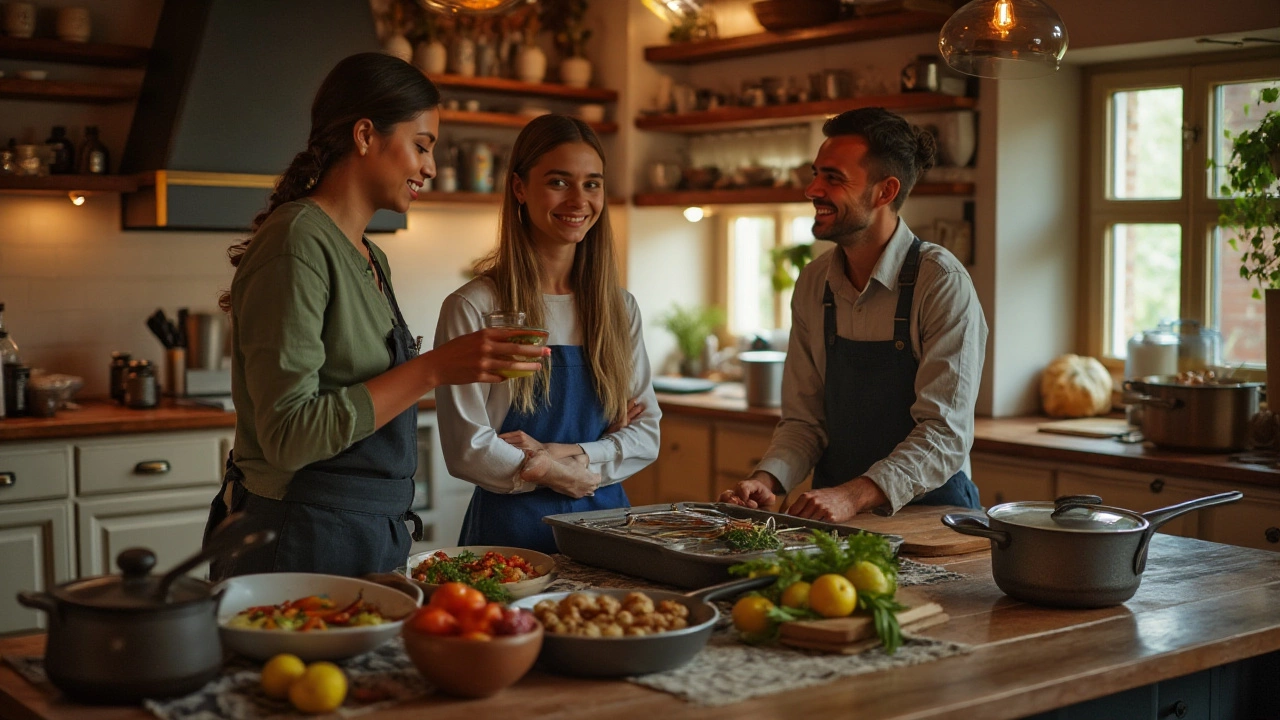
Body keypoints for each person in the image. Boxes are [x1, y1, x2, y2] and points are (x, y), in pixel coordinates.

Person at [202, 53, 547, 579]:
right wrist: (432, 368)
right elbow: (289, 435)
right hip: (298, 538)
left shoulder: (367, 252)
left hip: (362, 533)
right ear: (365, 135)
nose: (430, 167)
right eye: (421, 145)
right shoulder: (297, 241)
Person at [720, 107, 988, 523]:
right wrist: (769, 479)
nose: (812, 189)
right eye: (815, 174)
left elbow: (944, 435)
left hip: (933, 520)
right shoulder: (814, 283)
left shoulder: (940, 283)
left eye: (833, 178)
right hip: (834, 515)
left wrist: (853, 496)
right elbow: (804, 422)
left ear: (885, 192)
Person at [435, 114, 661, 554]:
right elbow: (467, 447)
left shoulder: (619, 308)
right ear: (520, 188)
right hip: (510, 539)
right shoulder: (474, 307)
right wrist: (563, 471)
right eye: (559, 181)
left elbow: (647, 435)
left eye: (592, 184)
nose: (579, 199)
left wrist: (559, 452)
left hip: (607, 528)